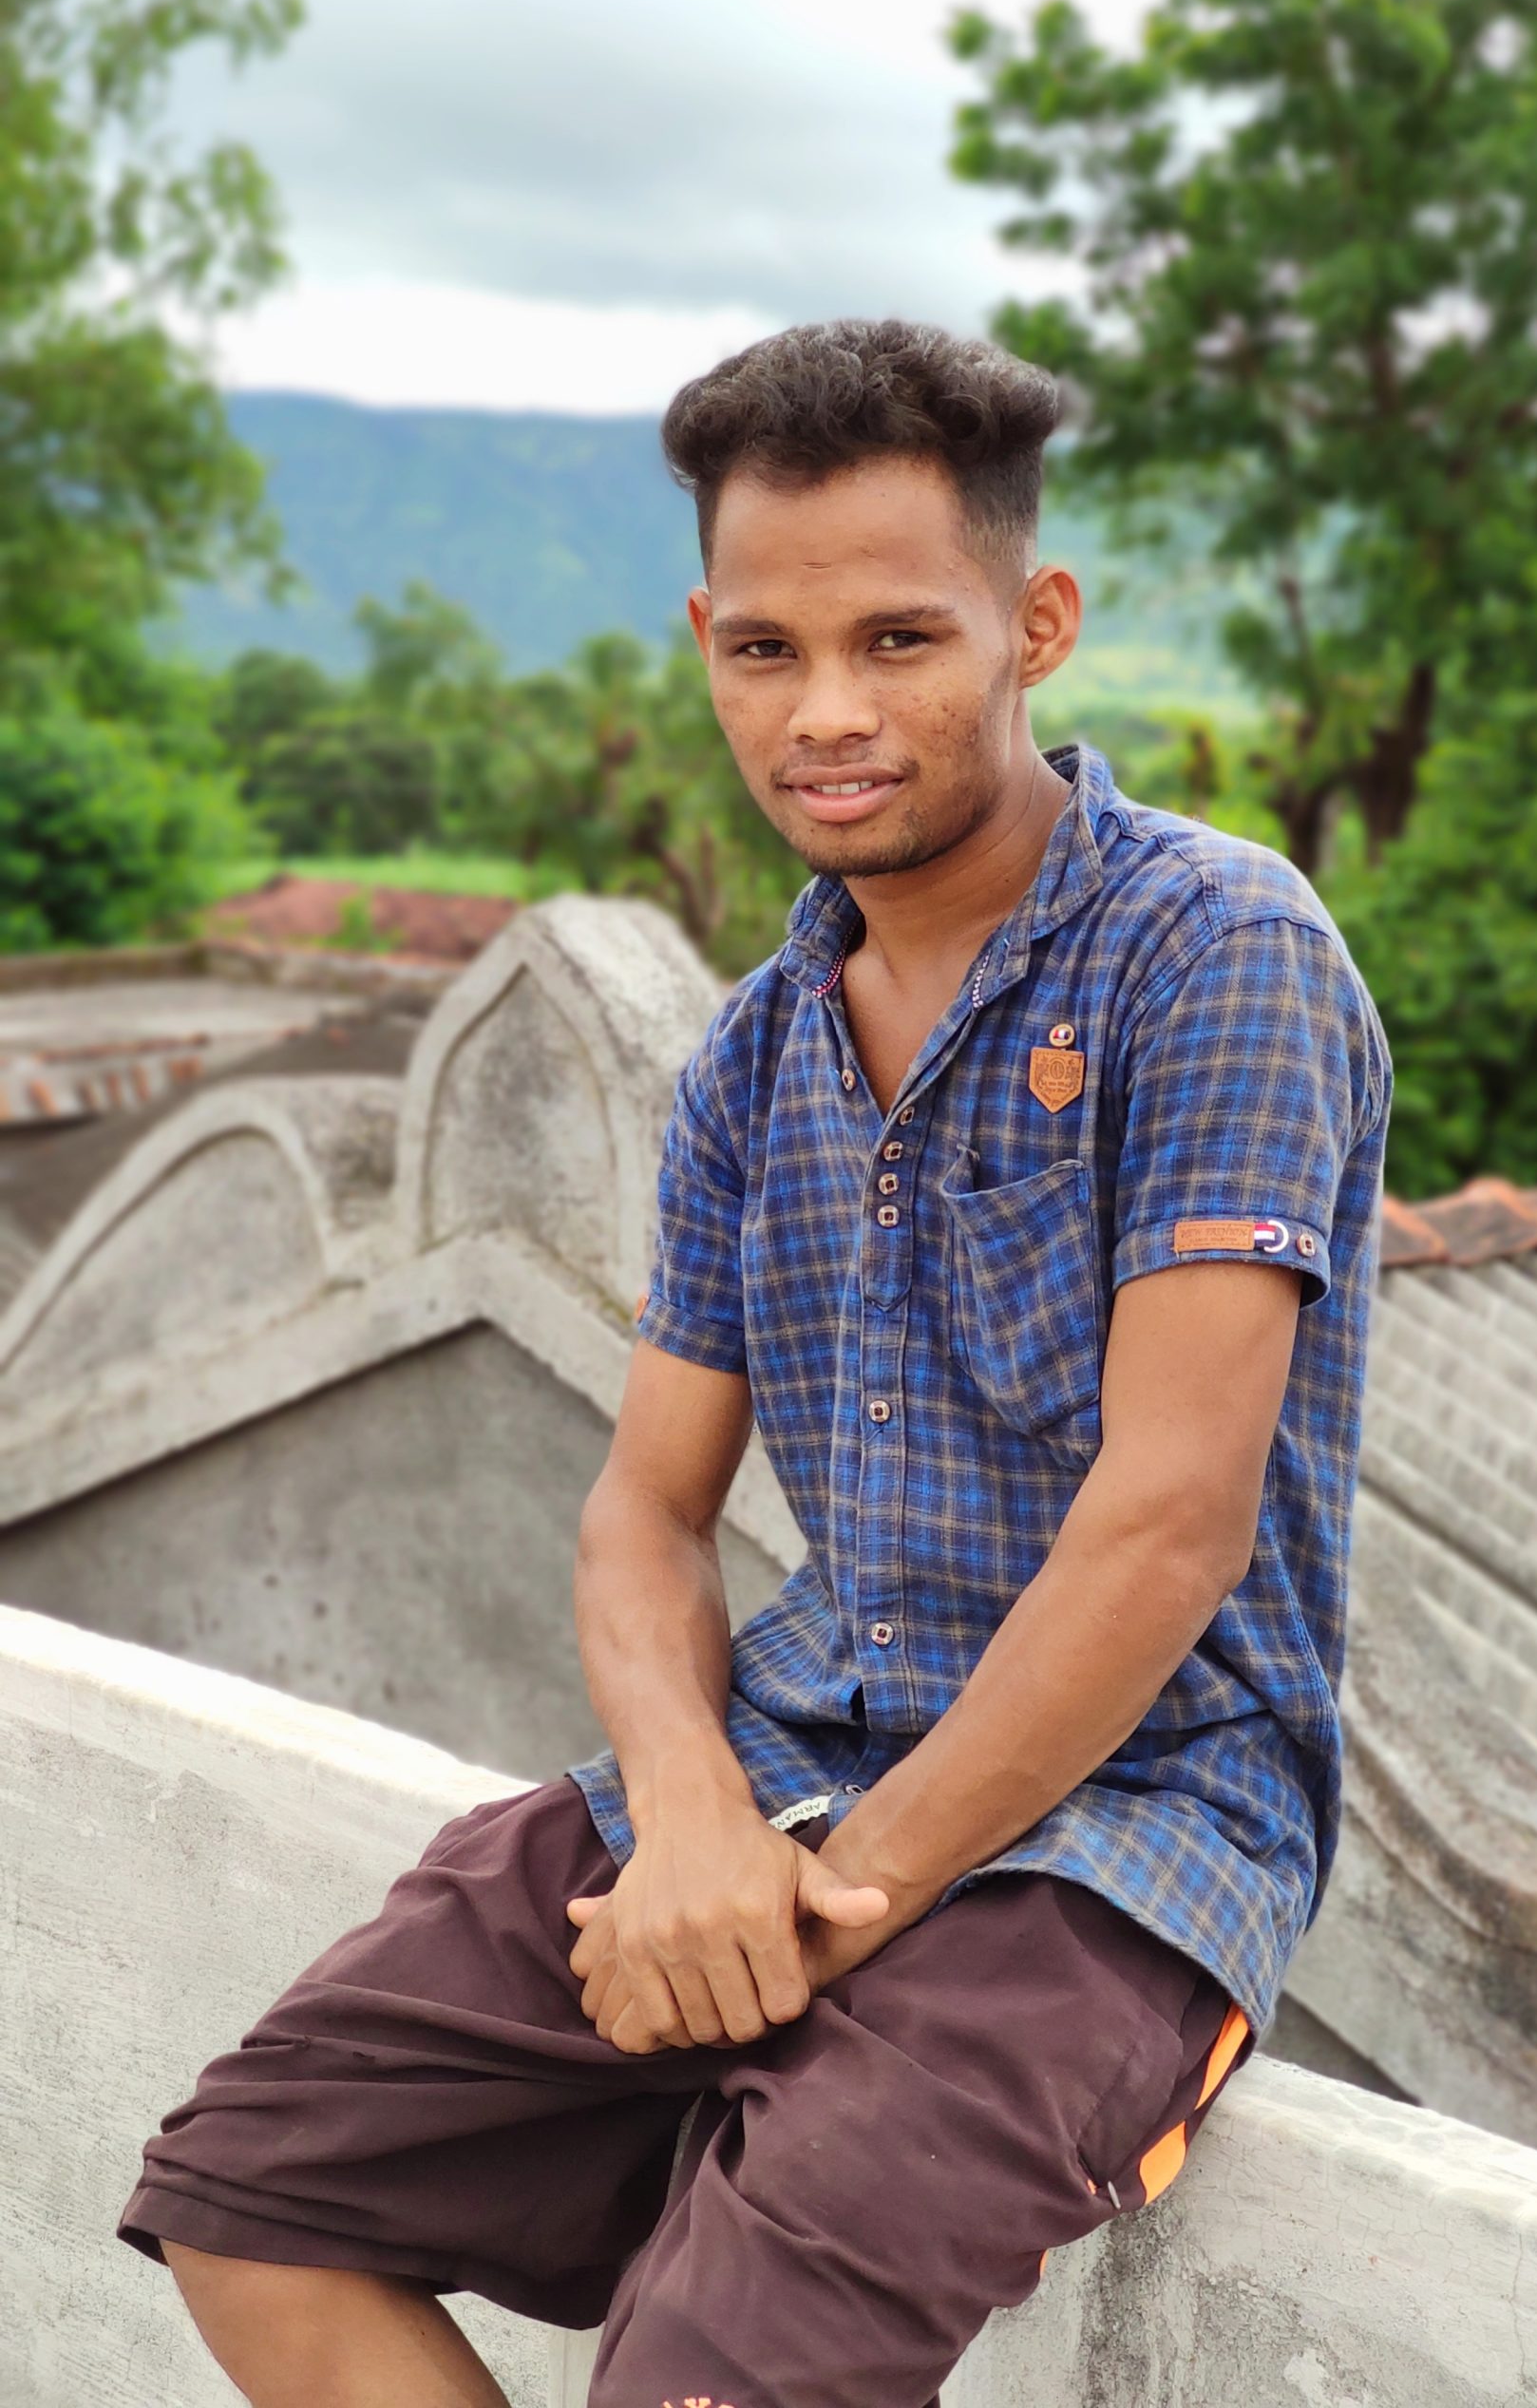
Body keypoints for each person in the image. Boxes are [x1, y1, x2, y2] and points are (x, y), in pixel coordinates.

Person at [120, 318, 1391, 2408]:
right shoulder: (752, 1058)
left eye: (900, 640)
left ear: (1033, 624)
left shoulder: (1213, 952)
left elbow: (1168, 1529)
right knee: (253, 2193)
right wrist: (701, 1819)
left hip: (1119, 1828)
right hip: (790, 1748)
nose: (828, 715)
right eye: (766, 652)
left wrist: (831, 1901)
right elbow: (644, 1507)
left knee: (708, 2367)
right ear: (704, 641)